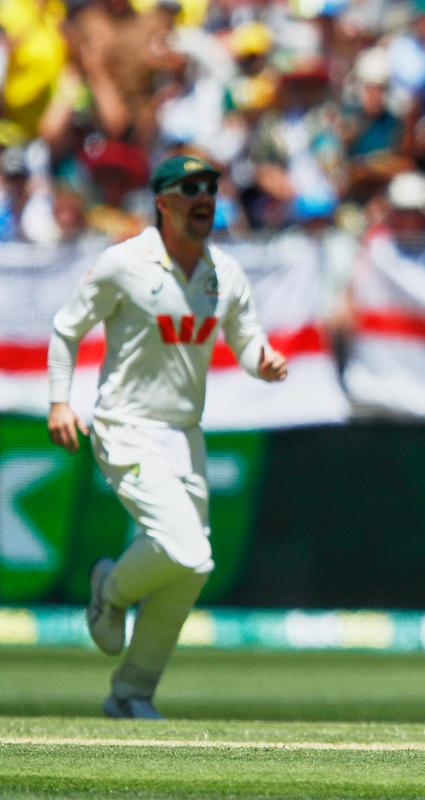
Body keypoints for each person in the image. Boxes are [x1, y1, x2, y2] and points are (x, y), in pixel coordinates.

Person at [46, 154, 288, 719]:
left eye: (210, 188)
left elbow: (246, 338)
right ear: (162, 202)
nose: (204, 199)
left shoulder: (224, 272)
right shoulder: (124, 264)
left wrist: (264, 360)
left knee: (193, 568)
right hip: (125, 426)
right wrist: (60, 401)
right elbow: (66, 328)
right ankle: (109, 589)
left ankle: (131, 692)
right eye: (190, 189)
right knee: (183, 548)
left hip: (184, 435)